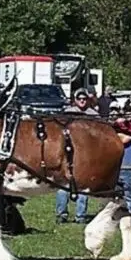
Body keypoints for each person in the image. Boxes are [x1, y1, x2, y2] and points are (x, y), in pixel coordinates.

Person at [54, 88, 98, 225]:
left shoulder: (93, 115)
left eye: (84, 99)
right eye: (79, 99)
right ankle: (61, 214)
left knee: (83, 186)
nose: (82, 101)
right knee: (64, 185)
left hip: (87, 154)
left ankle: (81, 215)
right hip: (69, 152)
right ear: (75, 100)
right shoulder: (68, 113)